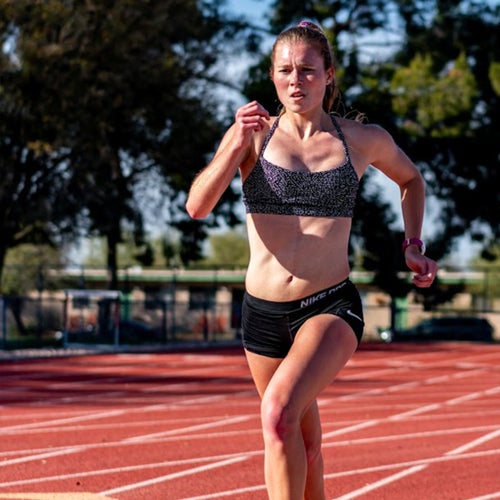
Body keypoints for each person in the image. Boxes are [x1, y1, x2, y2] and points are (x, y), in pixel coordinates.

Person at [186, 20, 438, 500]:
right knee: (303, 441)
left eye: (306, 70)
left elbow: (412, 180)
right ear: (272, 76)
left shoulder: (361, 139)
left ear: (328, 75)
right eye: (285, 71)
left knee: (277, 413)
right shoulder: (252, 137)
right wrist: (234, 146)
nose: (295, 81)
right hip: (261, 313)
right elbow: (197, 207)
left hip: (329, 306)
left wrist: (413, 244)